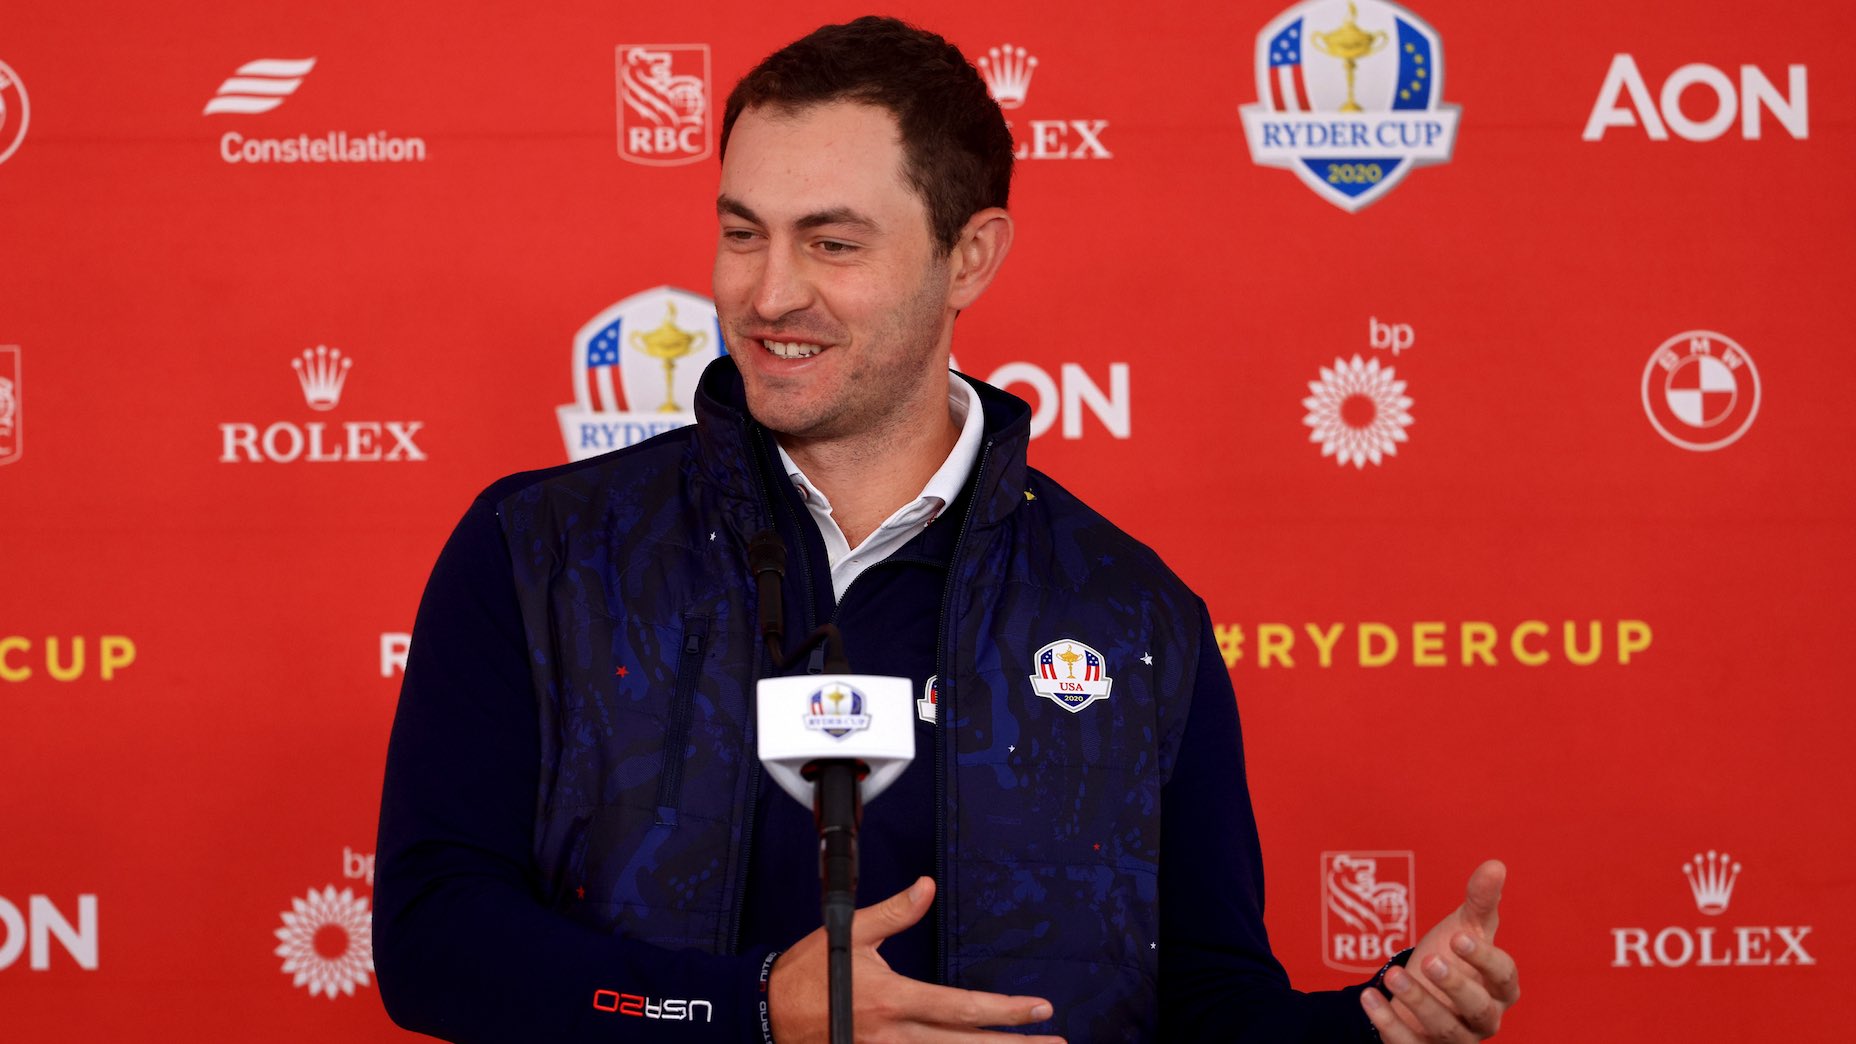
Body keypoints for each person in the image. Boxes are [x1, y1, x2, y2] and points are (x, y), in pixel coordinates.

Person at [374, 16, 1519, 1043]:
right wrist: (749, 1012)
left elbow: (1203, 1000)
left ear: (969, 257)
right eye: (742, 232)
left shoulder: (1131, 616)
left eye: (832, 244)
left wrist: (1371, 1029)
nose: (767, 295)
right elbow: (433, 942)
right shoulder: (540, 552)